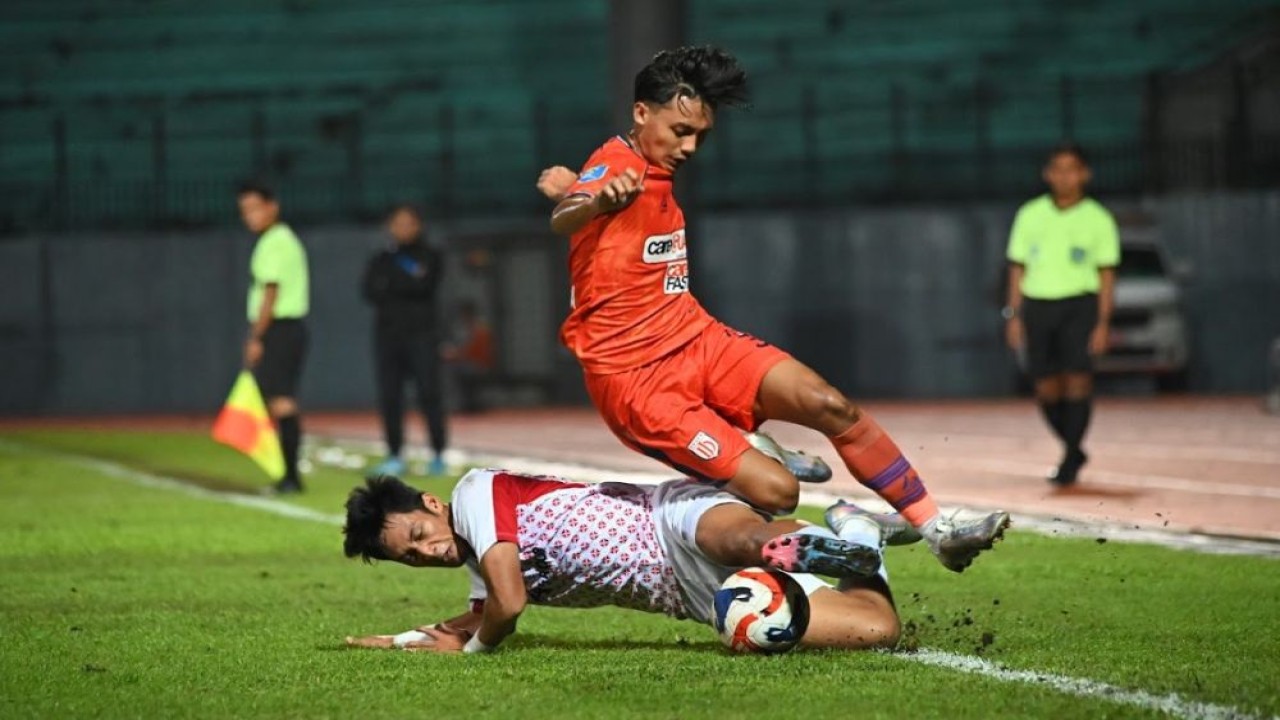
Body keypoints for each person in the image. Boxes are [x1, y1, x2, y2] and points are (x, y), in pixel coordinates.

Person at [535, 46, 1007, 572]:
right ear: (642, 112)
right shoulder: (619, 166)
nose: (689, 147)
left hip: (695, 338)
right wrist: (590, 198)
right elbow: (569, 215)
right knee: (778, 493)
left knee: (828, 404)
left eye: (701, 135)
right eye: (680, 131)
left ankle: (937, 529)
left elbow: (579, 200)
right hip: (635, 382)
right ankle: (751, 463)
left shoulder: (646, 164)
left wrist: (573, 189)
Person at [341, 469, 937, 653]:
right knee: (876, 630)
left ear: (432, 503)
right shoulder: (484, 573)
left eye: (419, 534)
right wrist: (402, 641)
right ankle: (859, 532)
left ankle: (788, 541)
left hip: (666, 518)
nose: (428, 552)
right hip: (690, 596)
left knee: (740, 540)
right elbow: (484, 612)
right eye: (411, 558)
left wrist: (475, 647)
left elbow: (508, 606)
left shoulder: (476, 493)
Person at [1004, 143, 1120, 486]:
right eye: (1058, 169)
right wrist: (1013, 315)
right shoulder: (1029, 214)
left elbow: (1107, 275)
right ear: (1047, 174)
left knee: (1078, 380)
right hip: (1038, 306)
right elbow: (1017, 267)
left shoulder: (1098, 218)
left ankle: (1070, 457)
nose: (1064, 176)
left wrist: (1103, 323)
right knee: (1046, 387)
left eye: (1072, 169)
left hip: (1079, 305)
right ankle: (1074, 448)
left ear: (1084, 174)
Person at [362, 205, 449, 477]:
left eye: (408, 223)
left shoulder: (431, 256)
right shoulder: (381, 258)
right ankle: (395, 455)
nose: (403, 229)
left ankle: (437, 455)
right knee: (390, 396)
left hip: (422, 336)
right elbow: (369, 291)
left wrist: (391, 285)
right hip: (388, 337)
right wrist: (403, 285)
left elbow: (424, 286)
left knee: (429, 394)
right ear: (389, 227)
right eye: (397, 223)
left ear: (418, 226)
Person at [238, 181, 309, 494]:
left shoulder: (275, 242)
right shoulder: (281, 239)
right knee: (278, 401)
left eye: (255, 208)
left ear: (272, 207)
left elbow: (270, 293)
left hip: (280, 329)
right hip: (285, 329)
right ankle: (289, 475)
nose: (249, 216)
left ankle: (291, 478)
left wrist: (256, 337)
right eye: (244, 211)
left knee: (281, 402)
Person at [443, 300, 495, 413]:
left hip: (479, 365)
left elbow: (474, 352)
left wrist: (455, 354)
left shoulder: (480, 329)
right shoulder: (463, 328)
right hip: (469, 363)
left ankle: (460, 403)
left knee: (453, 369)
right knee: (452, 367)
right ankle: (461, 402)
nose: (462, 317)